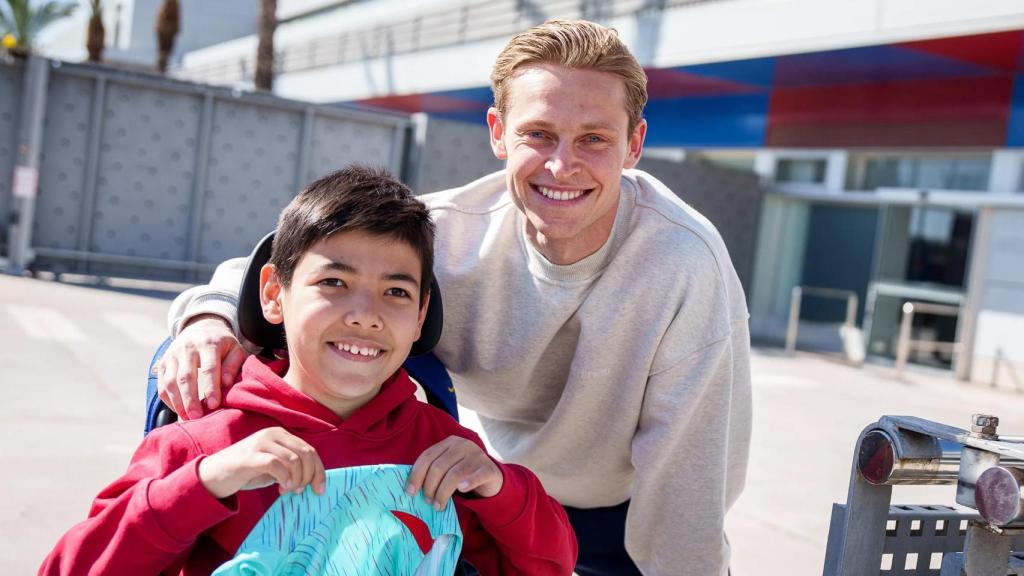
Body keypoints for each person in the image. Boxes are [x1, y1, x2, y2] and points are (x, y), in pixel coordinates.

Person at [162, 20, 752, 575]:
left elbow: (688, 486)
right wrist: (208, 319)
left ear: (634, 145)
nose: (562, 164)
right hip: (489, 486)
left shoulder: (683, 263)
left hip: (620, 513)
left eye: (594, 138)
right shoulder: (450, 234)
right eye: (538, 134)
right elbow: (284, 264)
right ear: (498, 133)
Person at [41, 166, 577, 575]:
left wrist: (500, 487)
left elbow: (551, 563)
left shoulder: (444, 448)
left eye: (395, 292)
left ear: (419, 318)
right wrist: (204, 484)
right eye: (334, 283)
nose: (364, 315)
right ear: (275, 294)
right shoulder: (203, 443)